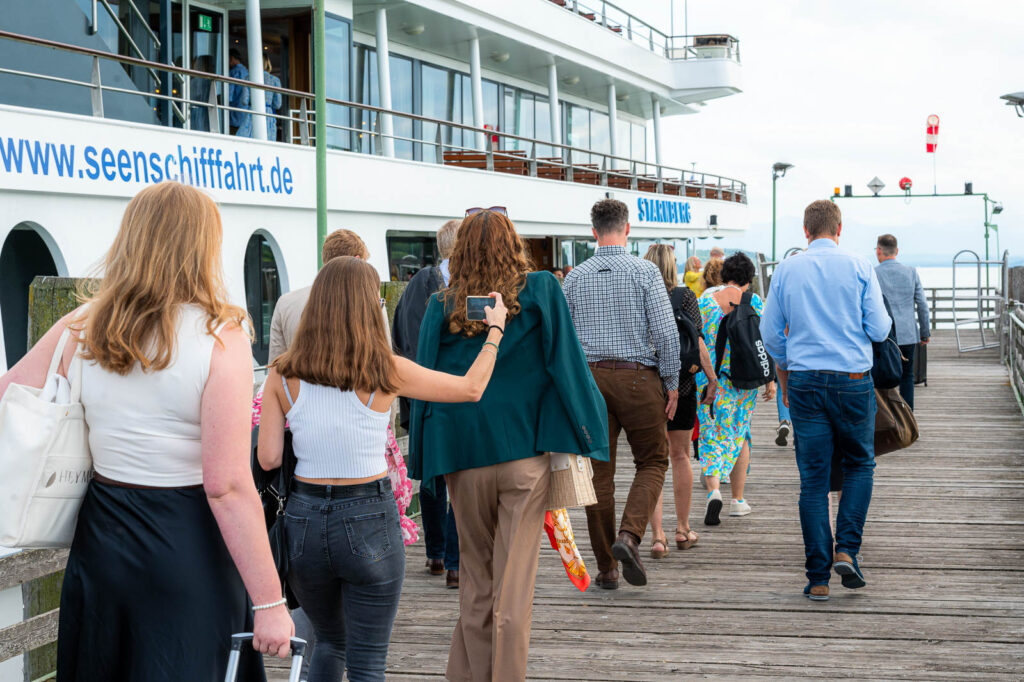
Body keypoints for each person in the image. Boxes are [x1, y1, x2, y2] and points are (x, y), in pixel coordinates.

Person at [0, 182, 294, 679]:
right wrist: (269, 601)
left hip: (102, 537)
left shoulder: (84, 324)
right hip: (186, 542)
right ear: (203, 246)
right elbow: (226, 484)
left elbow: (11, 394)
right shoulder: (221, 336)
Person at [259, 256, 508, 682]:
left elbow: (268, 459)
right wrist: (496, 331)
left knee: (329, 642)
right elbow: (471, 388)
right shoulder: (385, 370)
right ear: (368, 307)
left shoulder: (282, 373)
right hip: (368, 517)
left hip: (304, 523)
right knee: (368, 660)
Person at [409, 209, 608, 682]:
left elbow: (425, 380)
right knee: (513, 596)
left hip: (461, 458)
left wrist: (423, 460)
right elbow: (567, 364)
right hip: (523, 458)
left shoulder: (444, 305)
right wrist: (591, 433)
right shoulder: (539, 289)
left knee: (477, 586)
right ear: (512, 244)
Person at [760, 199, 891, 602]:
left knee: (813, 480)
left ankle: (818, 577)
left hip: (804, 383)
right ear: (839, 229)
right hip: (852, 380)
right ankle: (847, 549)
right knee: (859, 464)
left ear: (805, 230)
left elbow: (769, 333)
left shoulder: (787, 270)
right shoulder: (858, 265)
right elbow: (880, 327)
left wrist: (787, 365)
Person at [563, 199, 680, 589]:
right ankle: (629, 536)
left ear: (593, 232)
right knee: (653, 461)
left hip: (590, 381)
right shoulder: (645, 272)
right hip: (638, 378)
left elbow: (563, 340)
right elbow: (665, 334)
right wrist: (672, 382)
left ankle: (606, 569)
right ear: (627, 229)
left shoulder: (574, 277)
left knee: (599, 474)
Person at [392, 219, 462, 589]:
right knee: (448, 475)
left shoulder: (422, 283)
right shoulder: (436, 285)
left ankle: (441, 555)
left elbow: (400, 332)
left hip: (424, 393)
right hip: (439, 393)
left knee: (437, 474)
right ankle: (449, 558)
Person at [643, 245, 717, 558]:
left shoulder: (640, 294)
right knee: (680, 456)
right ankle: (683, 529)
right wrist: (711, 379)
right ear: (674, 267)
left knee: (652, 462)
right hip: (684, 384)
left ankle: (657, 537)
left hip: (648, 384)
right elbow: (697, 340)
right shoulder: (685, 296)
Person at [695, 253, 774, 525]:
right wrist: (771, 380)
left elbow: (695, 339)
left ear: (723, 274)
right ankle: (738, 500)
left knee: (710, 435)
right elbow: (764, 344)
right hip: (743, 382)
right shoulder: (754, 303)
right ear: (749, 279)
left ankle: (714, 490)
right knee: (740, 435)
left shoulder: (704, 302)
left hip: (710, 381)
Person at [269, 229, 369, 363]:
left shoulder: (285, 302)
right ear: (357, 260)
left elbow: (275, 363)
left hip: (296, 382)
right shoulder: (371, 303)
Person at [875, 234, 930, 409]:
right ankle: (908, 420)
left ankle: (886, 421)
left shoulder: (873, 274)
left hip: (884, 336)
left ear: (878, 251)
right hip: (907, 334)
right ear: (896, 251)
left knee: (881, 377)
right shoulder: (911, 272)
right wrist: (925, 332)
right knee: (907, 377)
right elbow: (922, 304)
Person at [229, 49, 253, 138]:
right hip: (245, 114)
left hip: (234, 114)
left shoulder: (233, 72)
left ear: (231, 58)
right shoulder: (247, 72)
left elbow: (229, 95)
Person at [190, 55, 214, 133]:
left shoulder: (195, 81)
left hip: (196, 111)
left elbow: (195, 96)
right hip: (206, 111)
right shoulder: (210, 81)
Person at [263, 56, 283, 141]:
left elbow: (244, 101)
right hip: (267, 113)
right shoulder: (275, 80)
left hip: (250, 113)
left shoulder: (248, 78)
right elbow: (277, 104)